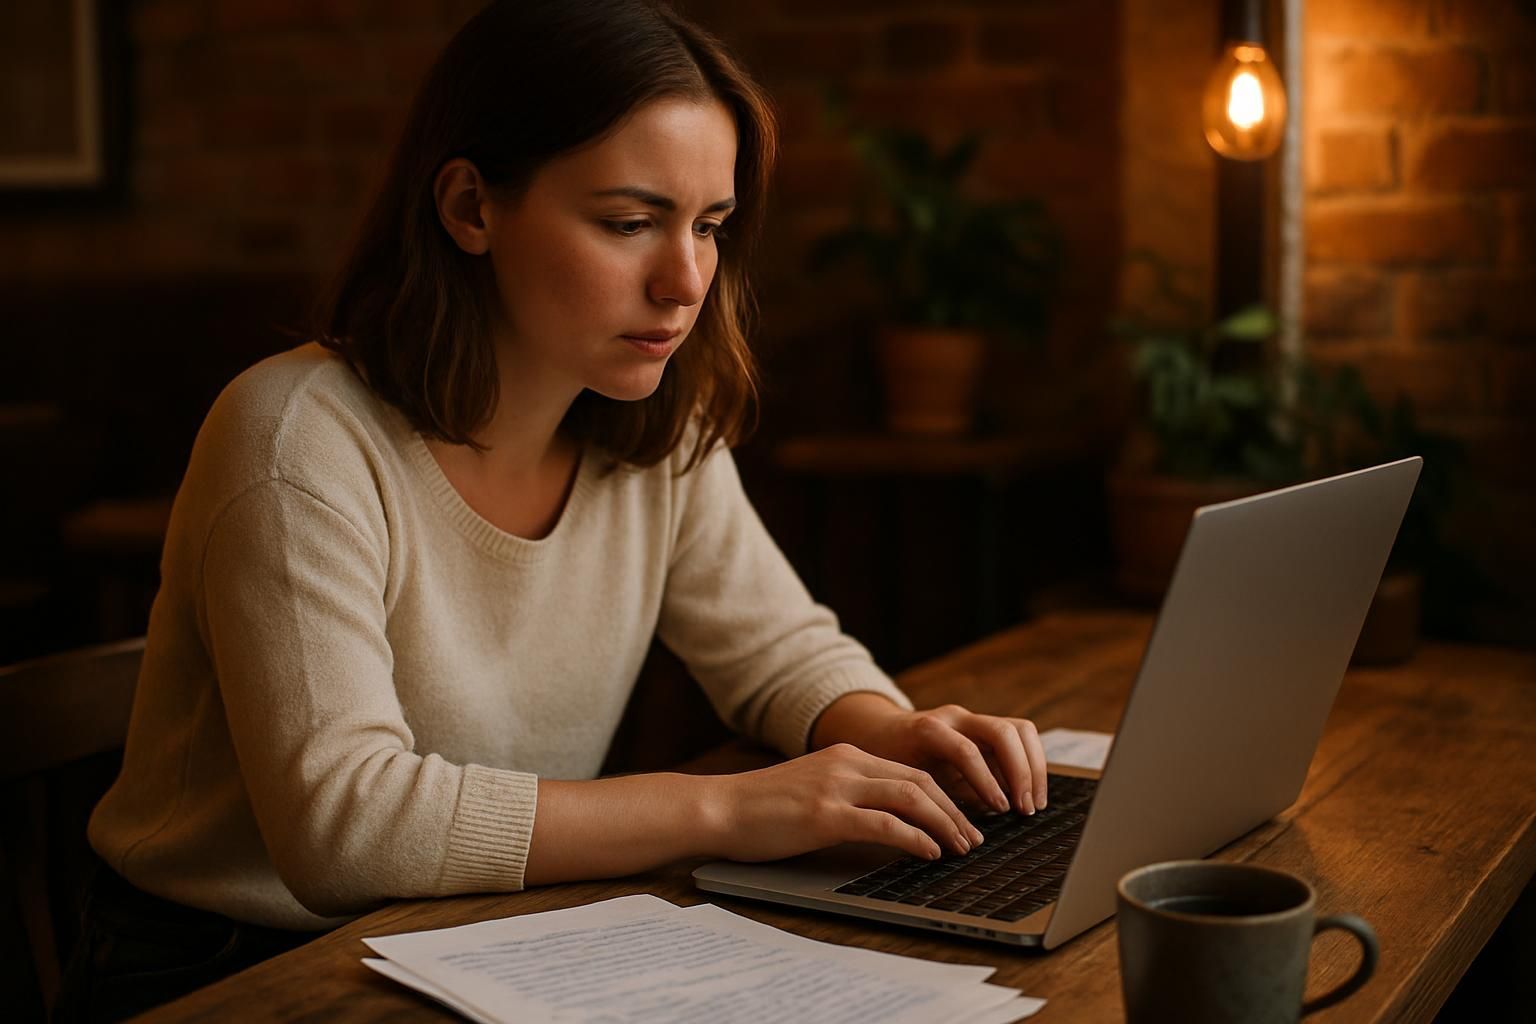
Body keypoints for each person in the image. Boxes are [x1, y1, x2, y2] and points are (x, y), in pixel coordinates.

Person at [57, 1, 1048, 1019]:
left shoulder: (658, 414)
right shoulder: (295, 435)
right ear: (469, 208)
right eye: (629, 222)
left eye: (710, 225)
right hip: (226, 967)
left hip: (477, 934)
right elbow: (342, 828)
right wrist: (723, 807)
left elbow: (778, 650)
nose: (686, 279)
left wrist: (890, 735)